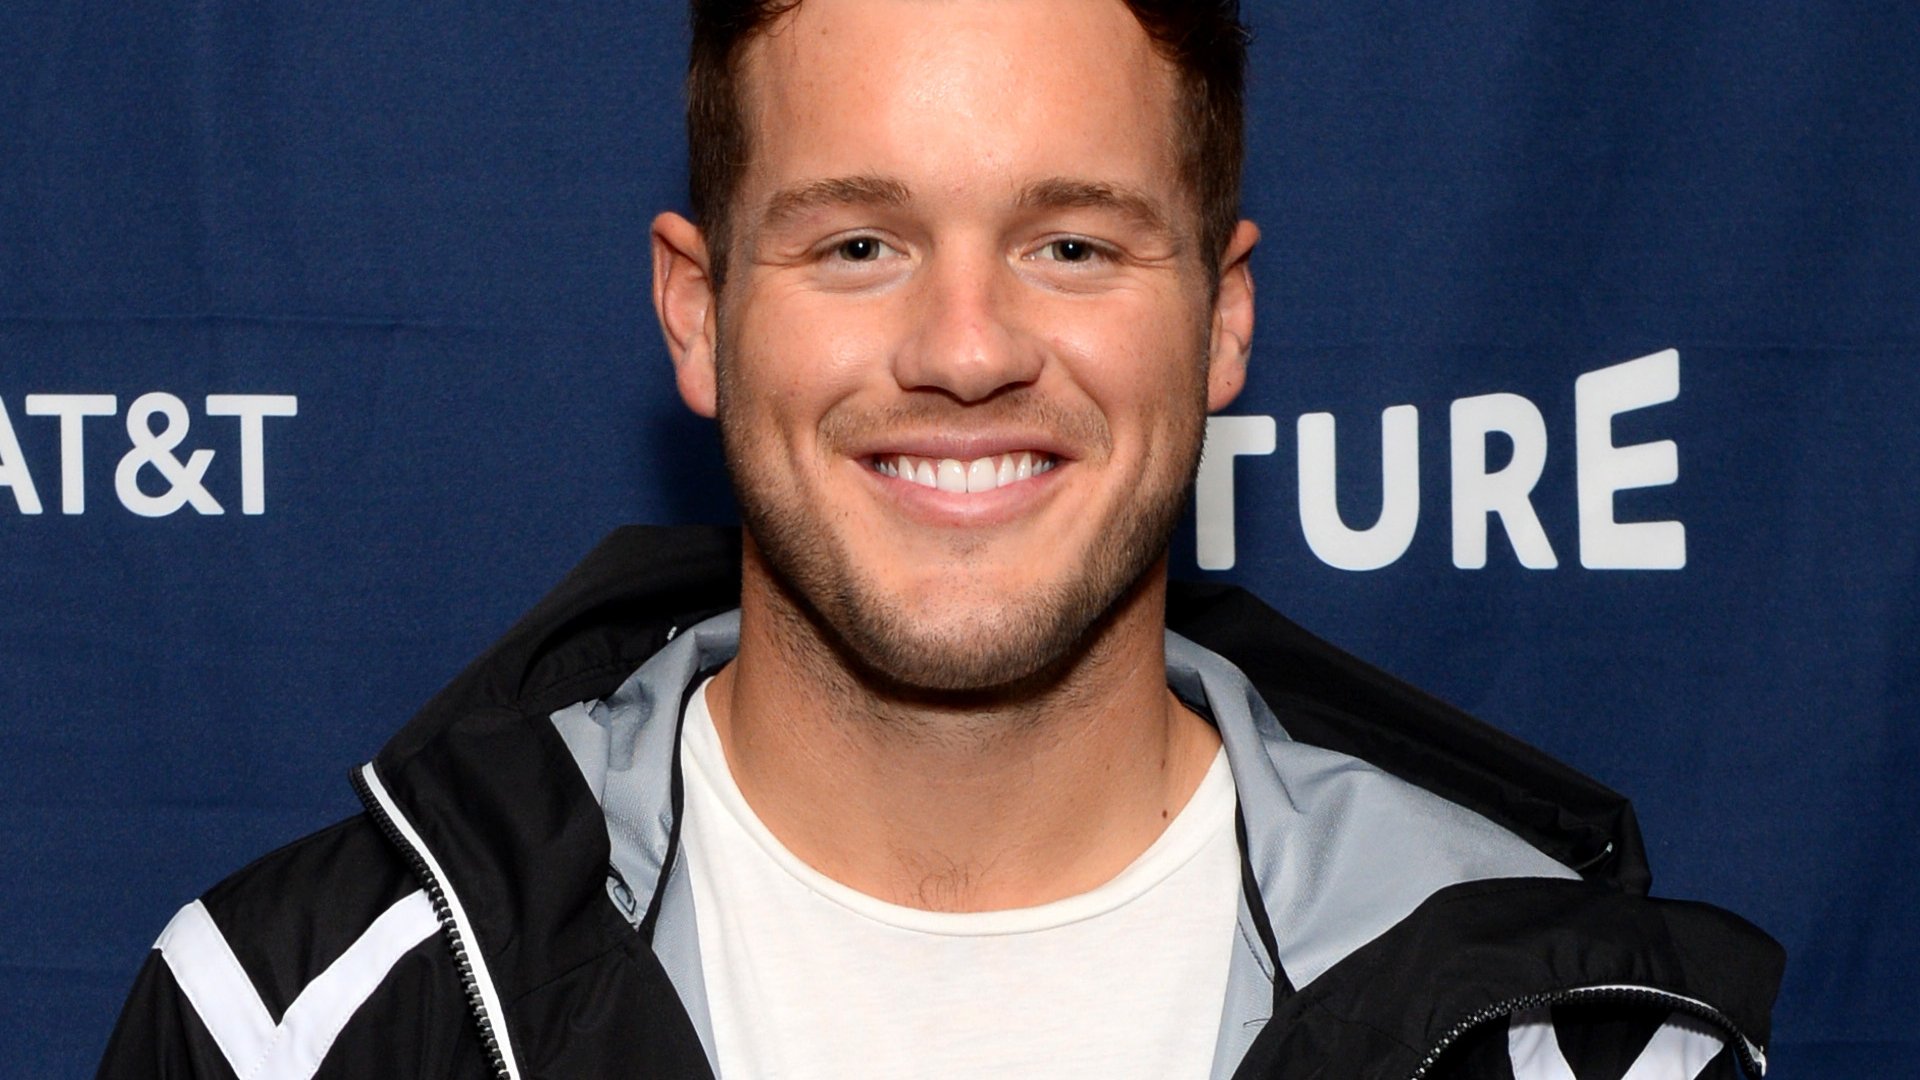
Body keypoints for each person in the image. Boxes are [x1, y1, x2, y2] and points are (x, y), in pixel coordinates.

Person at [97, 1, 1782, 1077]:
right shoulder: (302, 1023)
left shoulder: (1571, 1039)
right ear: (696, 313)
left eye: (1071, 245)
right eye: (854, 247)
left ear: (1222, 323)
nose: (968, 350)